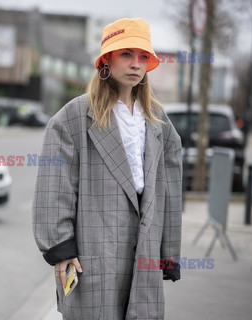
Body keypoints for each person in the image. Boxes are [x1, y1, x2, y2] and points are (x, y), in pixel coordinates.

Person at [32, 18, 183, 320]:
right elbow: (55, 187)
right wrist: (60, 247)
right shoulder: (72, 118)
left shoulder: (158, 122)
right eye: (126, 54)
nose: (136, 64)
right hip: (95, 248)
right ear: (106, 60)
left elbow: (169, 189)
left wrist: (168, 253)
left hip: (144, 251)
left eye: (143, 56)